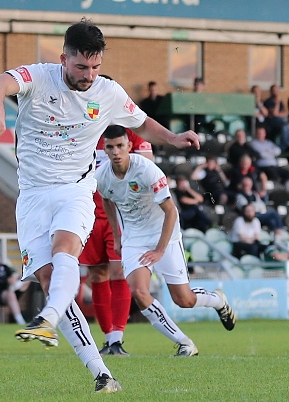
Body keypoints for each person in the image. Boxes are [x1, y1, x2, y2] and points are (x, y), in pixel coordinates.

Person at [0, 19, 200, 393]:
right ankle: (102, 373)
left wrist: (173, 138)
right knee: (51, 280)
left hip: (75, 190)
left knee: (65, 249)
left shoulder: (108, 92)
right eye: (81, 66)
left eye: (95, 67)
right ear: (63, 57)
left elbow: (143, 122)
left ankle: (48, 316)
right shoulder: (38, 76)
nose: (88, 75)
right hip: (32, 196)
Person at [96, 126, 236, 358]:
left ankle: (216, 299)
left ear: (129, 146)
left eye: (120, 146)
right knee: (139, 292)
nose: (115, 152)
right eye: (110, 147)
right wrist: (118, 236)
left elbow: (171, 212)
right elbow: (107, 200)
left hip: (165, 235)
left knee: (184, 300)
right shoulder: (101, 176)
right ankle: (185, 343)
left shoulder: (148, 171)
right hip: (134, 239)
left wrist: (160, 250)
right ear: (105, 149)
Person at [82, 126, 153, 357]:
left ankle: (117, 338)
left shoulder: (133, 131)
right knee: (96, 275)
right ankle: (108, 338)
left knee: (119, 272)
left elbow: (148, 170)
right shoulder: (85, 127)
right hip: (89, 214)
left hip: (120, 214)